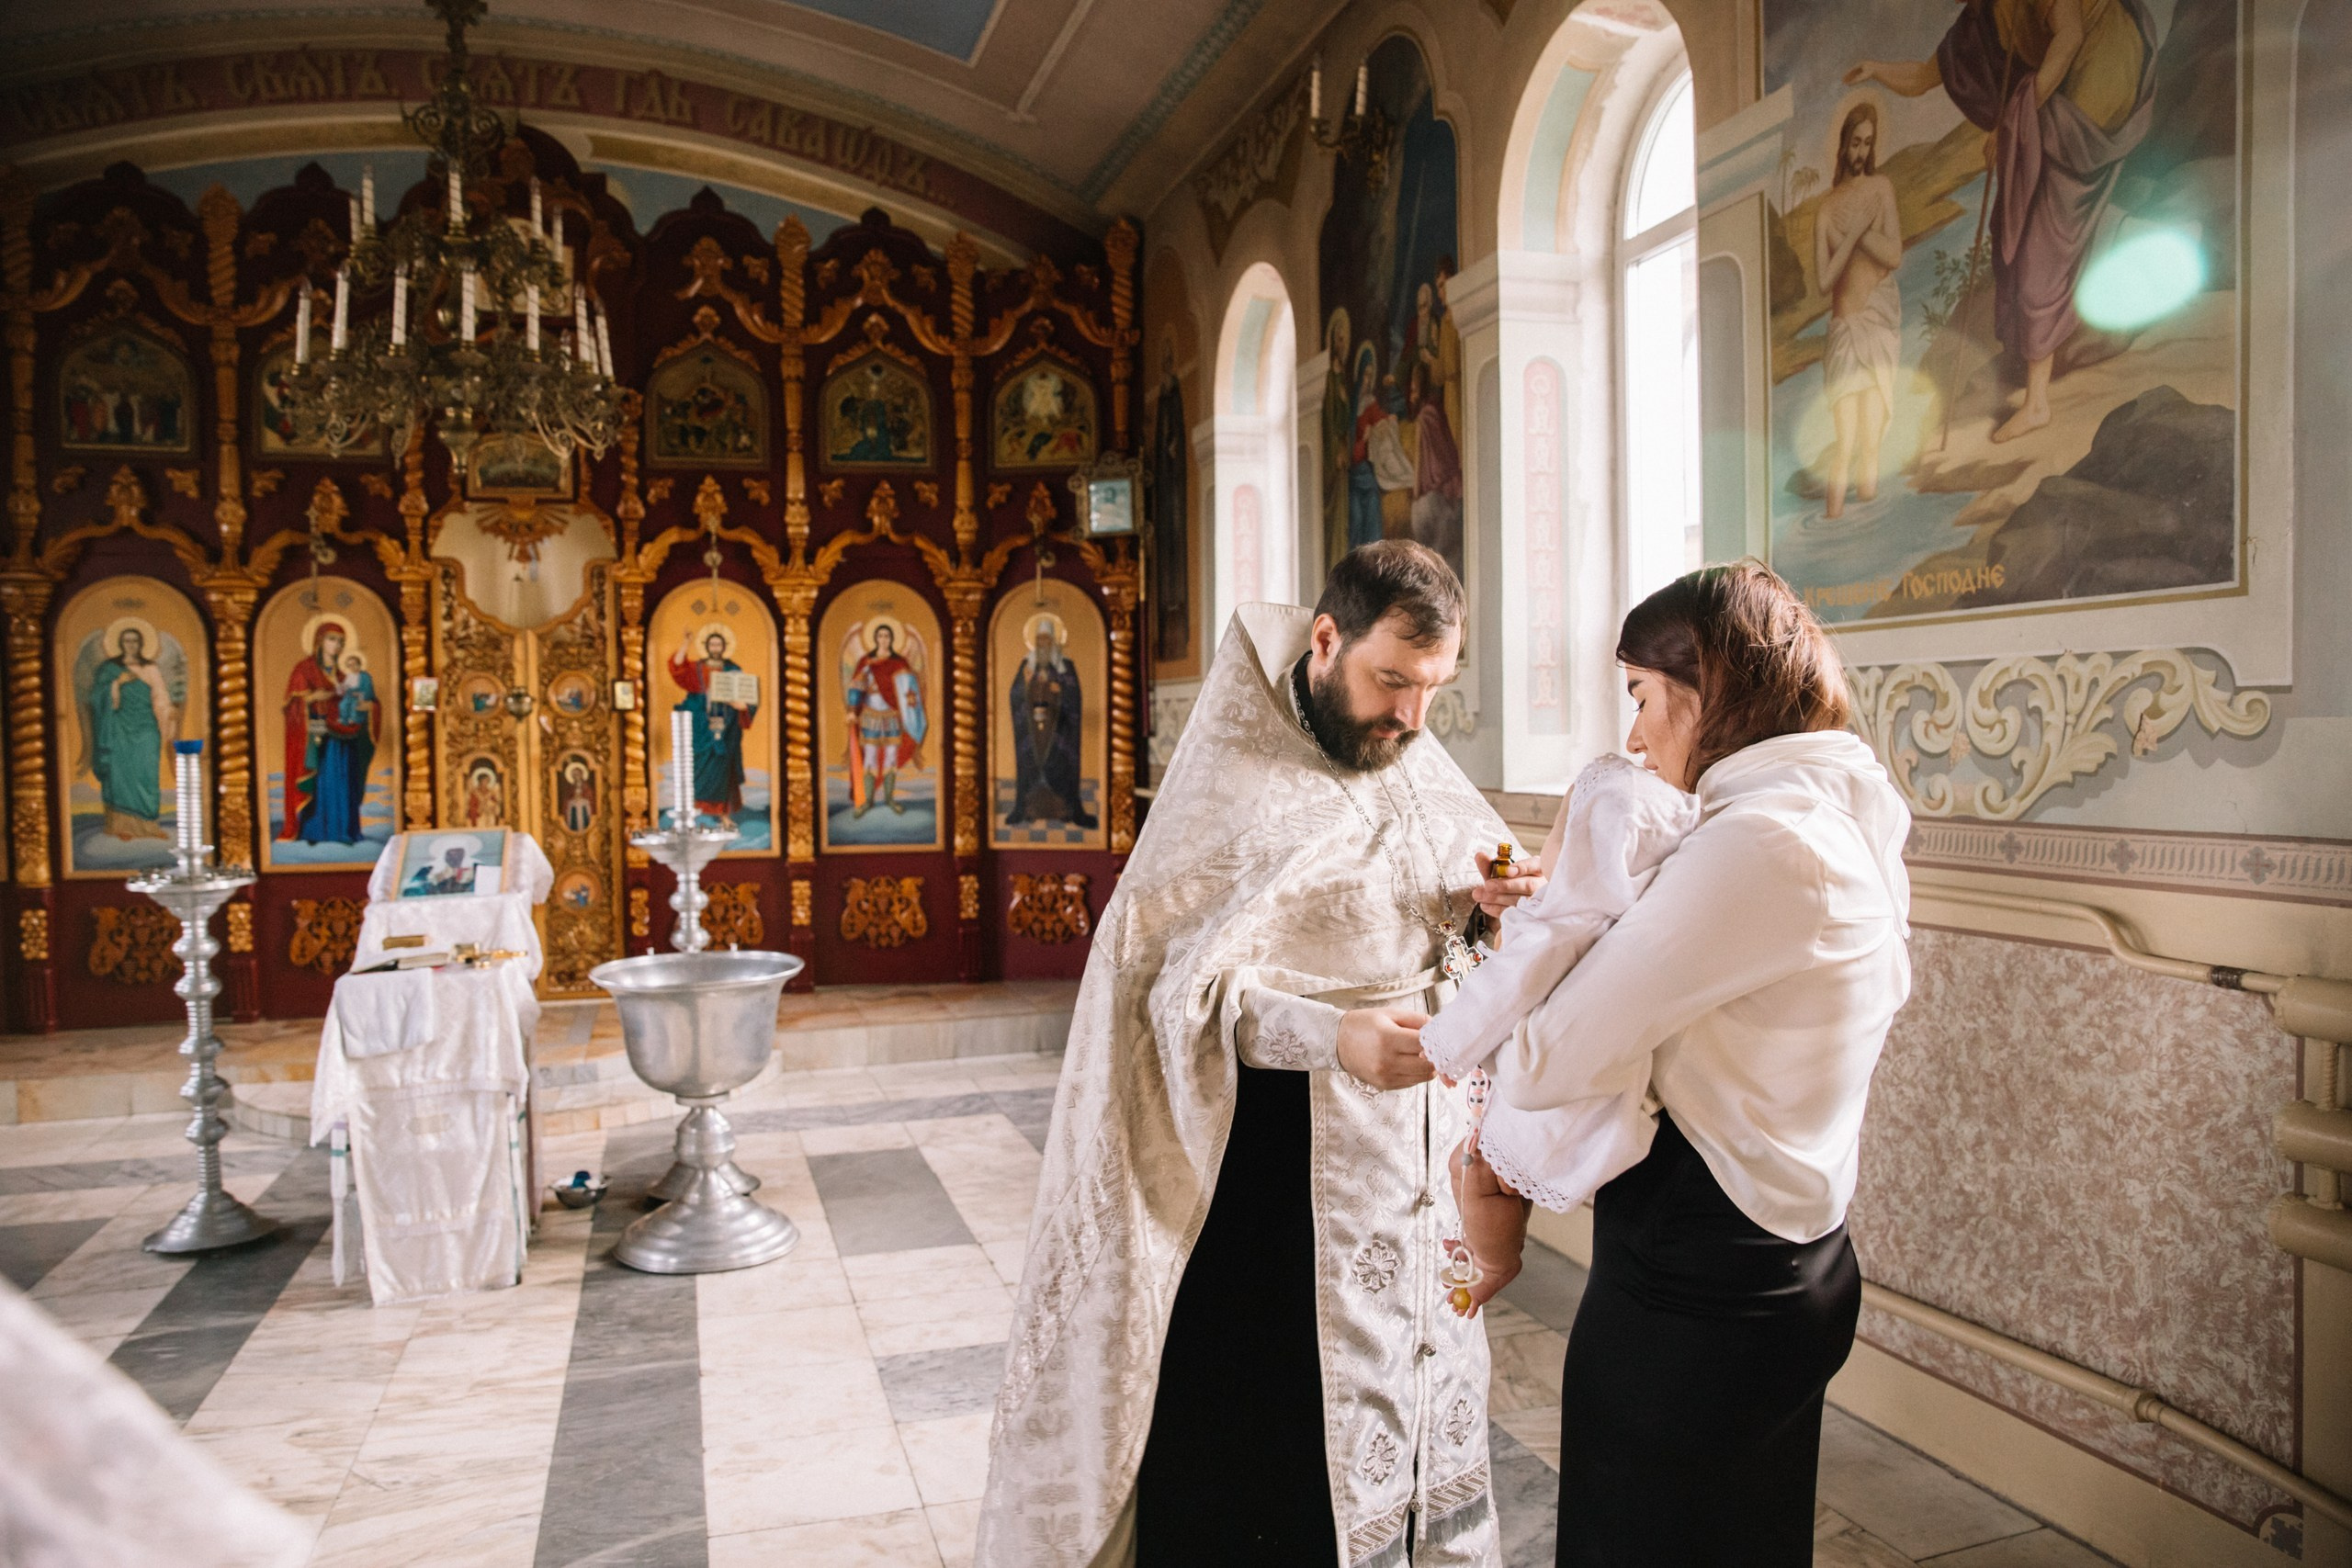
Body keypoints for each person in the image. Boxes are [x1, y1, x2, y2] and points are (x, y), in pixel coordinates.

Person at [978, 541, 1508, 1568]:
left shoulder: (1409, 759)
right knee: (1266, 1461)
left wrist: (1485, 908)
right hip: (1263, 1178)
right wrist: (1334, 1034)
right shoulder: (1234, 776)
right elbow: (1171, 999)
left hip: (1409, 1177)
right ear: (1327, 639)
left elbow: (1441, 919)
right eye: (1391, 680)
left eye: (1435, 689)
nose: (1411, 716)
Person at [1451, 561, 1913, 1566]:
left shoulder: (1764, 844)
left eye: (1641, 696)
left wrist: (1544, 927)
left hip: (1697, 1297)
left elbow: (1543, 1063)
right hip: (1790, 1260)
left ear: (1709, 688)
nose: (1632, 737)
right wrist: (1558, 909)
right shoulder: (1836, 808)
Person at [1846, 0, 2155, 442]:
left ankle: (2037, 403)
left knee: (2044, 236)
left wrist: (2014, 123)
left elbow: (2069, 37)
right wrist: (1875, 69)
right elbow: (1925, 76)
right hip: (2064, 91)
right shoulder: (1982, 15)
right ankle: (2039, 383)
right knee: (2023, 227)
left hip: (2103, 68)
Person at [1419, 754, 1698, 1217]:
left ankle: (1486, 1254)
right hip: (1615, 1095)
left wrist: (1447, 1043)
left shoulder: (1562, 923)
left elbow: (1508, 986)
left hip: (1556, 1100)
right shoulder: (1640, 909)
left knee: (1478, 1175)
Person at [1814, 101, 1904, 519]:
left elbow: (1893, 254)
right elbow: (1824, 280)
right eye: (1855, 143)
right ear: (1843, 145)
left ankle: (1869, 534)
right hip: (1845, 334)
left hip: (1878, 325)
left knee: (1871, 442)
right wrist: (1852, 235)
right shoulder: (1826, 209)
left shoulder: (1881, 189)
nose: (1861, 152)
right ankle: (1832, 524)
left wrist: (1860, 232)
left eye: (1867, 143)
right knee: (1845, 442)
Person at [85, 623, 176, 841]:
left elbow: (160, 698)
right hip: (120, 728)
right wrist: (117, 683)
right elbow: (96, 698)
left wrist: (168, 716)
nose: (131, 645)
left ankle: (150, 826)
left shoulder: (150, 668)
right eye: (127, 641)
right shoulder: (110, 669)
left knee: (147, 775)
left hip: (146, 728)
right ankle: (121, 826)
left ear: (141, 644)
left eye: (135, 641)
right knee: (121, 775)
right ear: (120, 643)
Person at [1007, 615, 1095, 829]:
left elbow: (1075, 696)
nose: (1043, 644)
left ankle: (1065, 810)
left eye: (1046, 639)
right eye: (1039, 640)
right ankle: (1027, 810)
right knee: (1030, 763)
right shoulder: (1027, 665)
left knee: (1061, 763)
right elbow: (1014, 694)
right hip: (1032, 733)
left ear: (1054, 641)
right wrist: (1026, 683)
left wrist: (1061, 690)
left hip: (1059, 731)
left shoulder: (1065, 666)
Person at [671, 626, 756, 827]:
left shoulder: (733, 670)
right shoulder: (698, 669)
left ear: (724, 647)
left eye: (718, 644)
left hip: (727, 726)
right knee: (698, 768)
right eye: (712, 644)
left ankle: (723, 815)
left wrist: (742, 706)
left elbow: (747, 695)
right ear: (707, 647)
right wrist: (686, 643)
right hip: (702, 725)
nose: (715, 647)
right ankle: (693, 813)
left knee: (724, 771)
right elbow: (677, 668)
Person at [843, 623, 923, 817]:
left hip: (892, 715)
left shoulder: (899, 663)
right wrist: (853, 710)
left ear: (892, 639)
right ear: (875, 639)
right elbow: (856, 687)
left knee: (891, 757)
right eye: (880, 636)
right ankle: (868, 801)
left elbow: (909, 689)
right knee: (870, 757)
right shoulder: (866, 662)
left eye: (887, 636)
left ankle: (889, 799)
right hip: (870, 715)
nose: (883, 639)